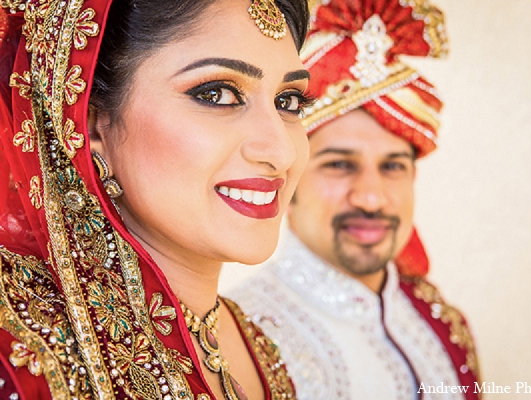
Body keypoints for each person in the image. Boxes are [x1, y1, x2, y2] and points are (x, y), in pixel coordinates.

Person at [0, 0, 312, 399]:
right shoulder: (17, 345)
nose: (280, 152)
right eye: (216, 94)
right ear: (91, 124)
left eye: (288, 102)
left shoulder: (257, 348)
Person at [227, 1, 481, 399]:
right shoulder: (239, 343)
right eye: (340, 165)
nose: (371, 197)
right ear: (289, 178)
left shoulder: (440, 320)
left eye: (393, 166)